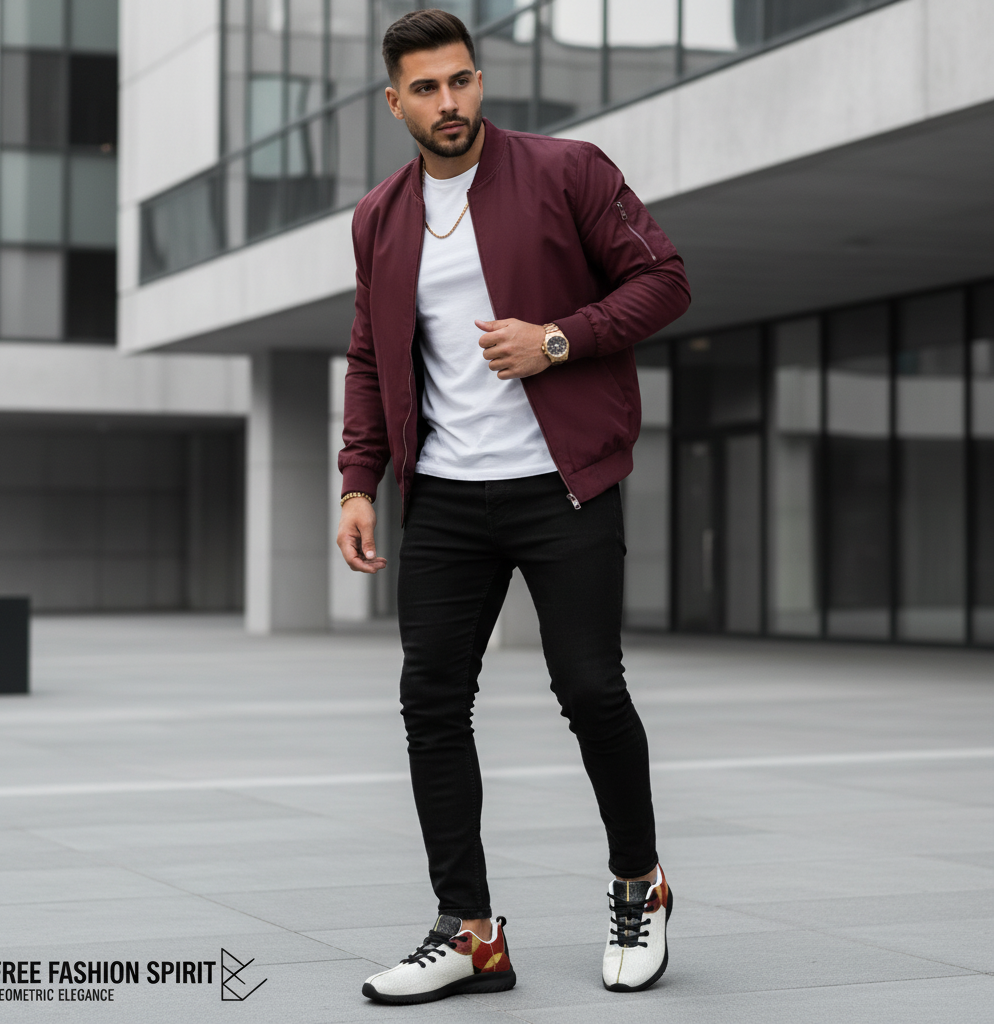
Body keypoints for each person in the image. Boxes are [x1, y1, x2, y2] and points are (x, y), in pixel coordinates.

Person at [336, 8, 690, 1006]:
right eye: (428, 88)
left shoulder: (568, 170)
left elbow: (663, 280)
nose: (450, 103)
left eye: (462, 81)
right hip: (445, 496)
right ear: (395, 99)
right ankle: (470, 932)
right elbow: (370, 356)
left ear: (477, 80)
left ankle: (638, 882)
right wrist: (359, 480)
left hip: (562, 485)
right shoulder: (378, 217)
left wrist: (560, 341)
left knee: (588, 689)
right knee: (430, 703)